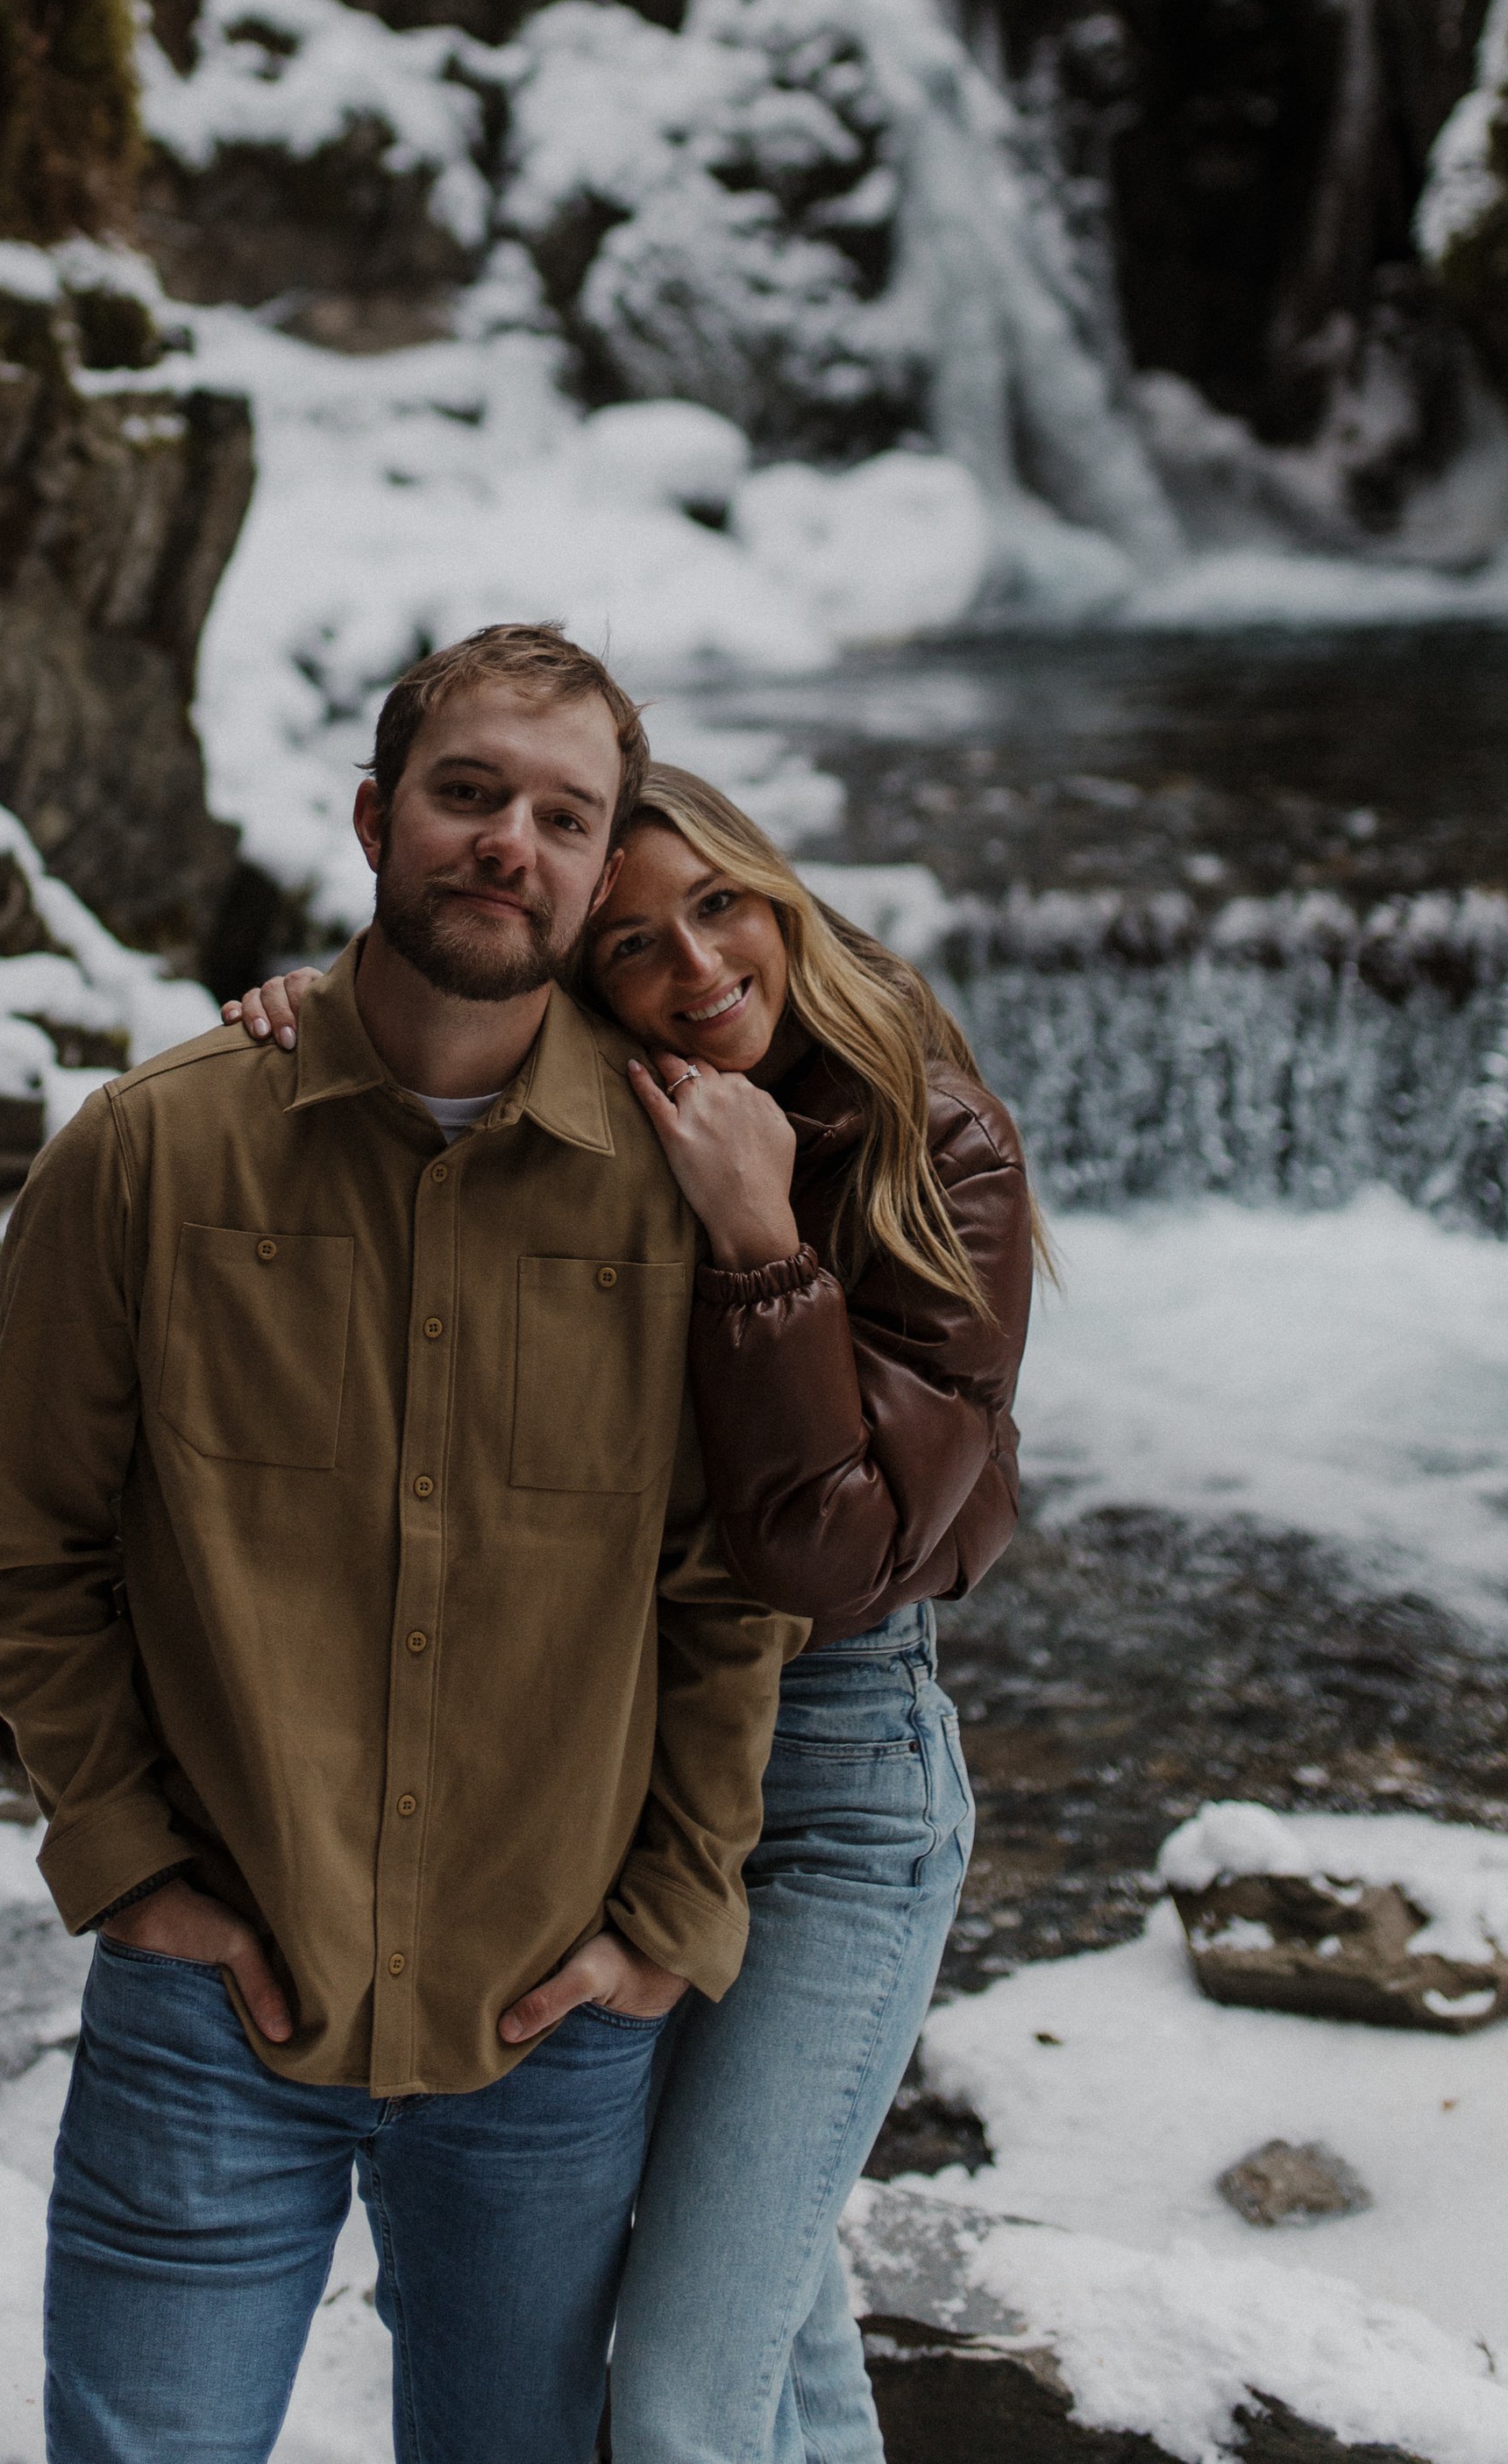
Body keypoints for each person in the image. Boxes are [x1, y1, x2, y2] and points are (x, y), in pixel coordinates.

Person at [0, 628, 793, 2464]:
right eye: (468, 791)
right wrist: (126, 1863)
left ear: (596, 874)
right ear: (370, 817)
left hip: (544, 2034)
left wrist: (666, 1915)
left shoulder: (681, 1190)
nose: (511, 842)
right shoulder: (147, 1155)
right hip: (211, 2013)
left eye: (563, 817)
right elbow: (30, 1558)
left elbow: (722, 1599)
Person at [230, 759, 1038, 2464]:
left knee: (677, 2400)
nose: (695, 966)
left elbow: (831, 1555)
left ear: (775, 892)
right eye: (634, 942)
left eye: (720, 906)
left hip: (832, 1787)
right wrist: (325, 1014)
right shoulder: (585, 1105)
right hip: (609, 1764)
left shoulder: (929, 1139)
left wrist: (756, 1234)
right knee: (767, 2319)